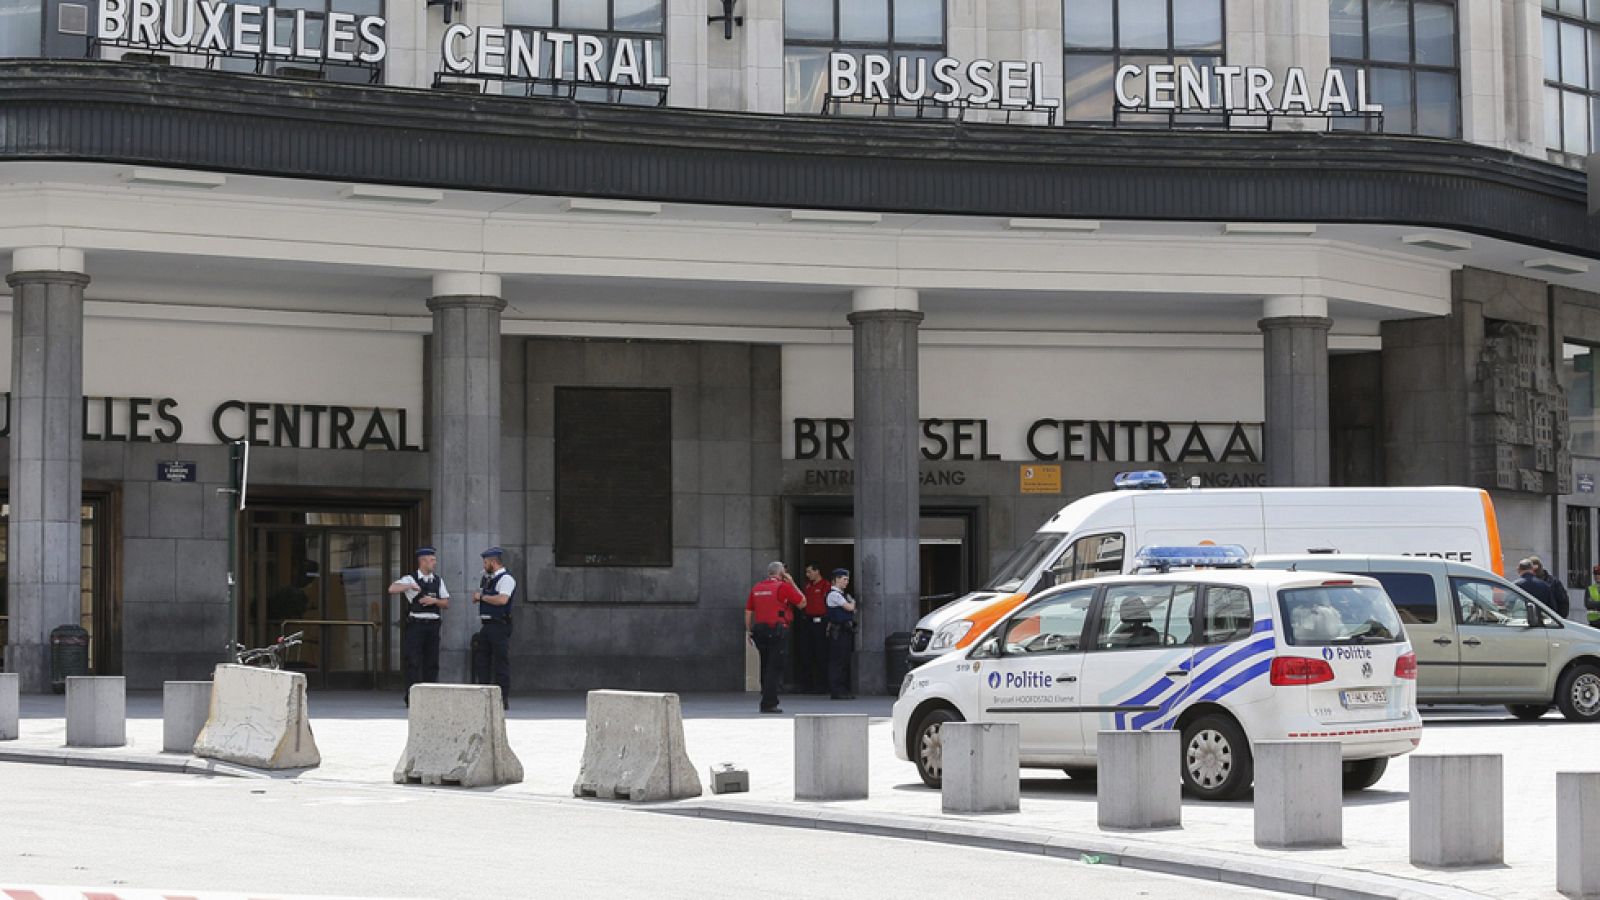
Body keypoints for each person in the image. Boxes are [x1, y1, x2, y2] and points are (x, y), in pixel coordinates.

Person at [388, 547, 449, 706]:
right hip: (417, 625)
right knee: (413, 661)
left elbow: (446, 602)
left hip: (433, 625)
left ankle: (430, 697)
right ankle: (411, 697)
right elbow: (392, 588)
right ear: (423, 561)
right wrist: (408, 587)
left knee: (432, 662)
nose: (434, 562)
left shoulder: (438, 580)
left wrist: (433, 601)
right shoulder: (411, 578)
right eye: (431, 559)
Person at [744, 560, 806, 714]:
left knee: (765, 665)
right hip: (777, 630)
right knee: (774, 667)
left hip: (759, 630)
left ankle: (765, 696)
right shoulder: (783, 587)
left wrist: (749, 630)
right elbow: (802, 603)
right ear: (782, 573)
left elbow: (748, 611)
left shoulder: (757, 587)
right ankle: (769, 703)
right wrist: (792, 583)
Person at [471, 547, 517, 710]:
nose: (484, 566)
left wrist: (482, 597)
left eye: (485, 563)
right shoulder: (487, 578)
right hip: (487, 625)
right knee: (482, 661)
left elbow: (502, 599)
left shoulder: (506, 579)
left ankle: (502, 698)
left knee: (500, 662)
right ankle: (483, 696)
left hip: (499, 625)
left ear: (493, 562)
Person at [797, 563, 831, 694]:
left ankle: (822, 685)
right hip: (808, 621)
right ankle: (807, 684)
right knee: (807, 652)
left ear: (817, 571)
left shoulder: (825, 586)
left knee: (821, 653)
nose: (808, 574)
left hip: (821, 621)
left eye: (810, 572)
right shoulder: (808, 586)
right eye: (807, 572)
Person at [824, 568, 857, 700]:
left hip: (844, 630)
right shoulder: (834, 595)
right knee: (837, 661)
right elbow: (850, 608)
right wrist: (852, 602)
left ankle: (841, 689)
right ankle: (836, 690)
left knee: (843, 660)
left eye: (847, 580)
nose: (846, 582)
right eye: (844, 579)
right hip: (838, 632)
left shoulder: (841, 595)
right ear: (836, 579)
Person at [1530, 555, 1571, 619]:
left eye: (1537, 569)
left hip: (1551, 619)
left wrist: (1559, 619)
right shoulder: (1528, 582)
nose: (1535, 571)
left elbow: (1563, 602)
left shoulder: (1554, 583)